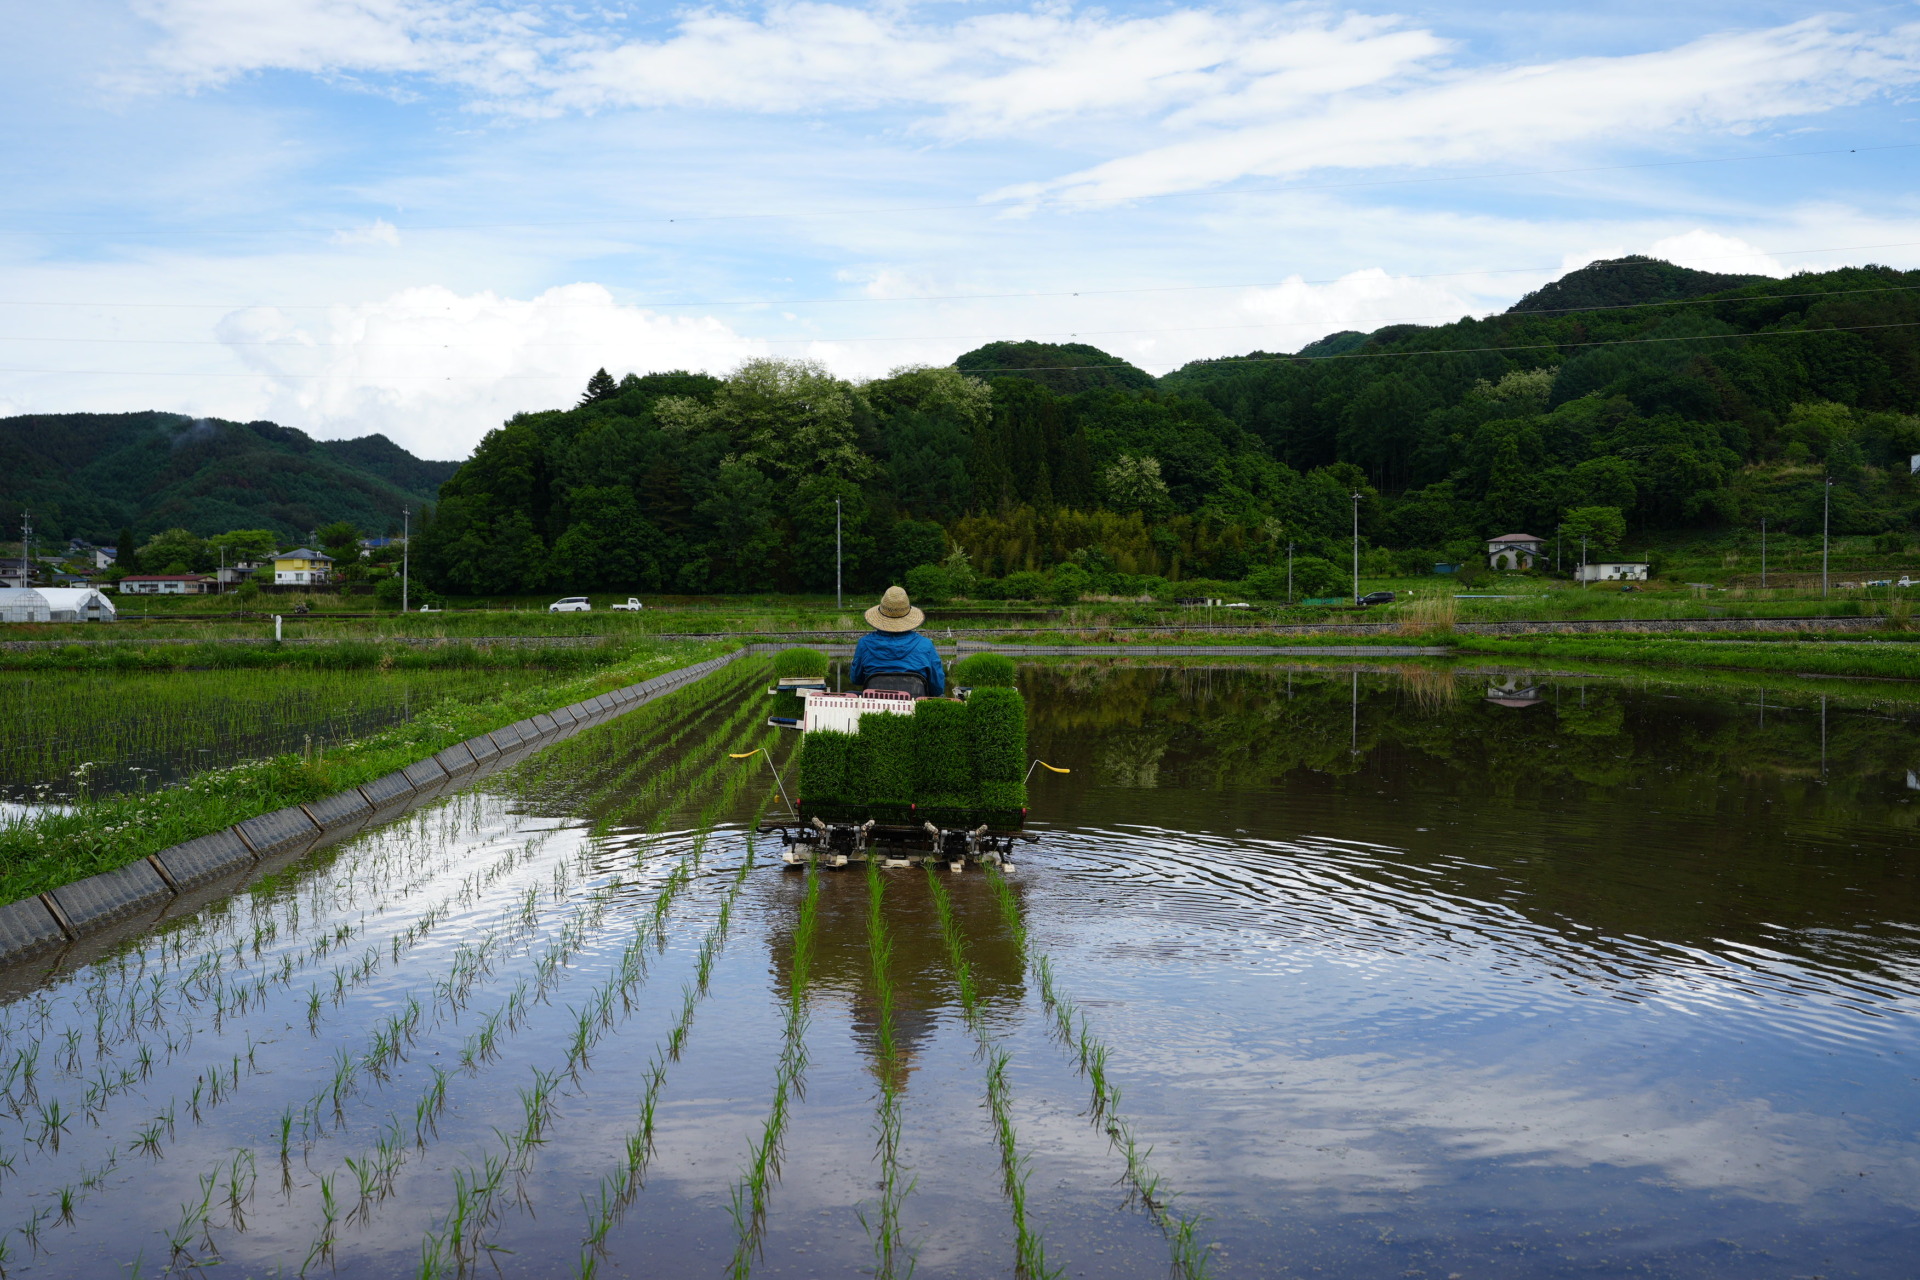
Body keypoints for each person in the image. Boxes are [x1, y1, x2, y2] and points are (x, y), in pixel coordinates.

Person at [849, 585, 946, 696]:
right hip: (914, 708)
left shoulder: (864, 643)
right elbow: (938, 688)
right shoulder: (926, 645)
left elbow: (856, 679)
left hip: (875, 708)